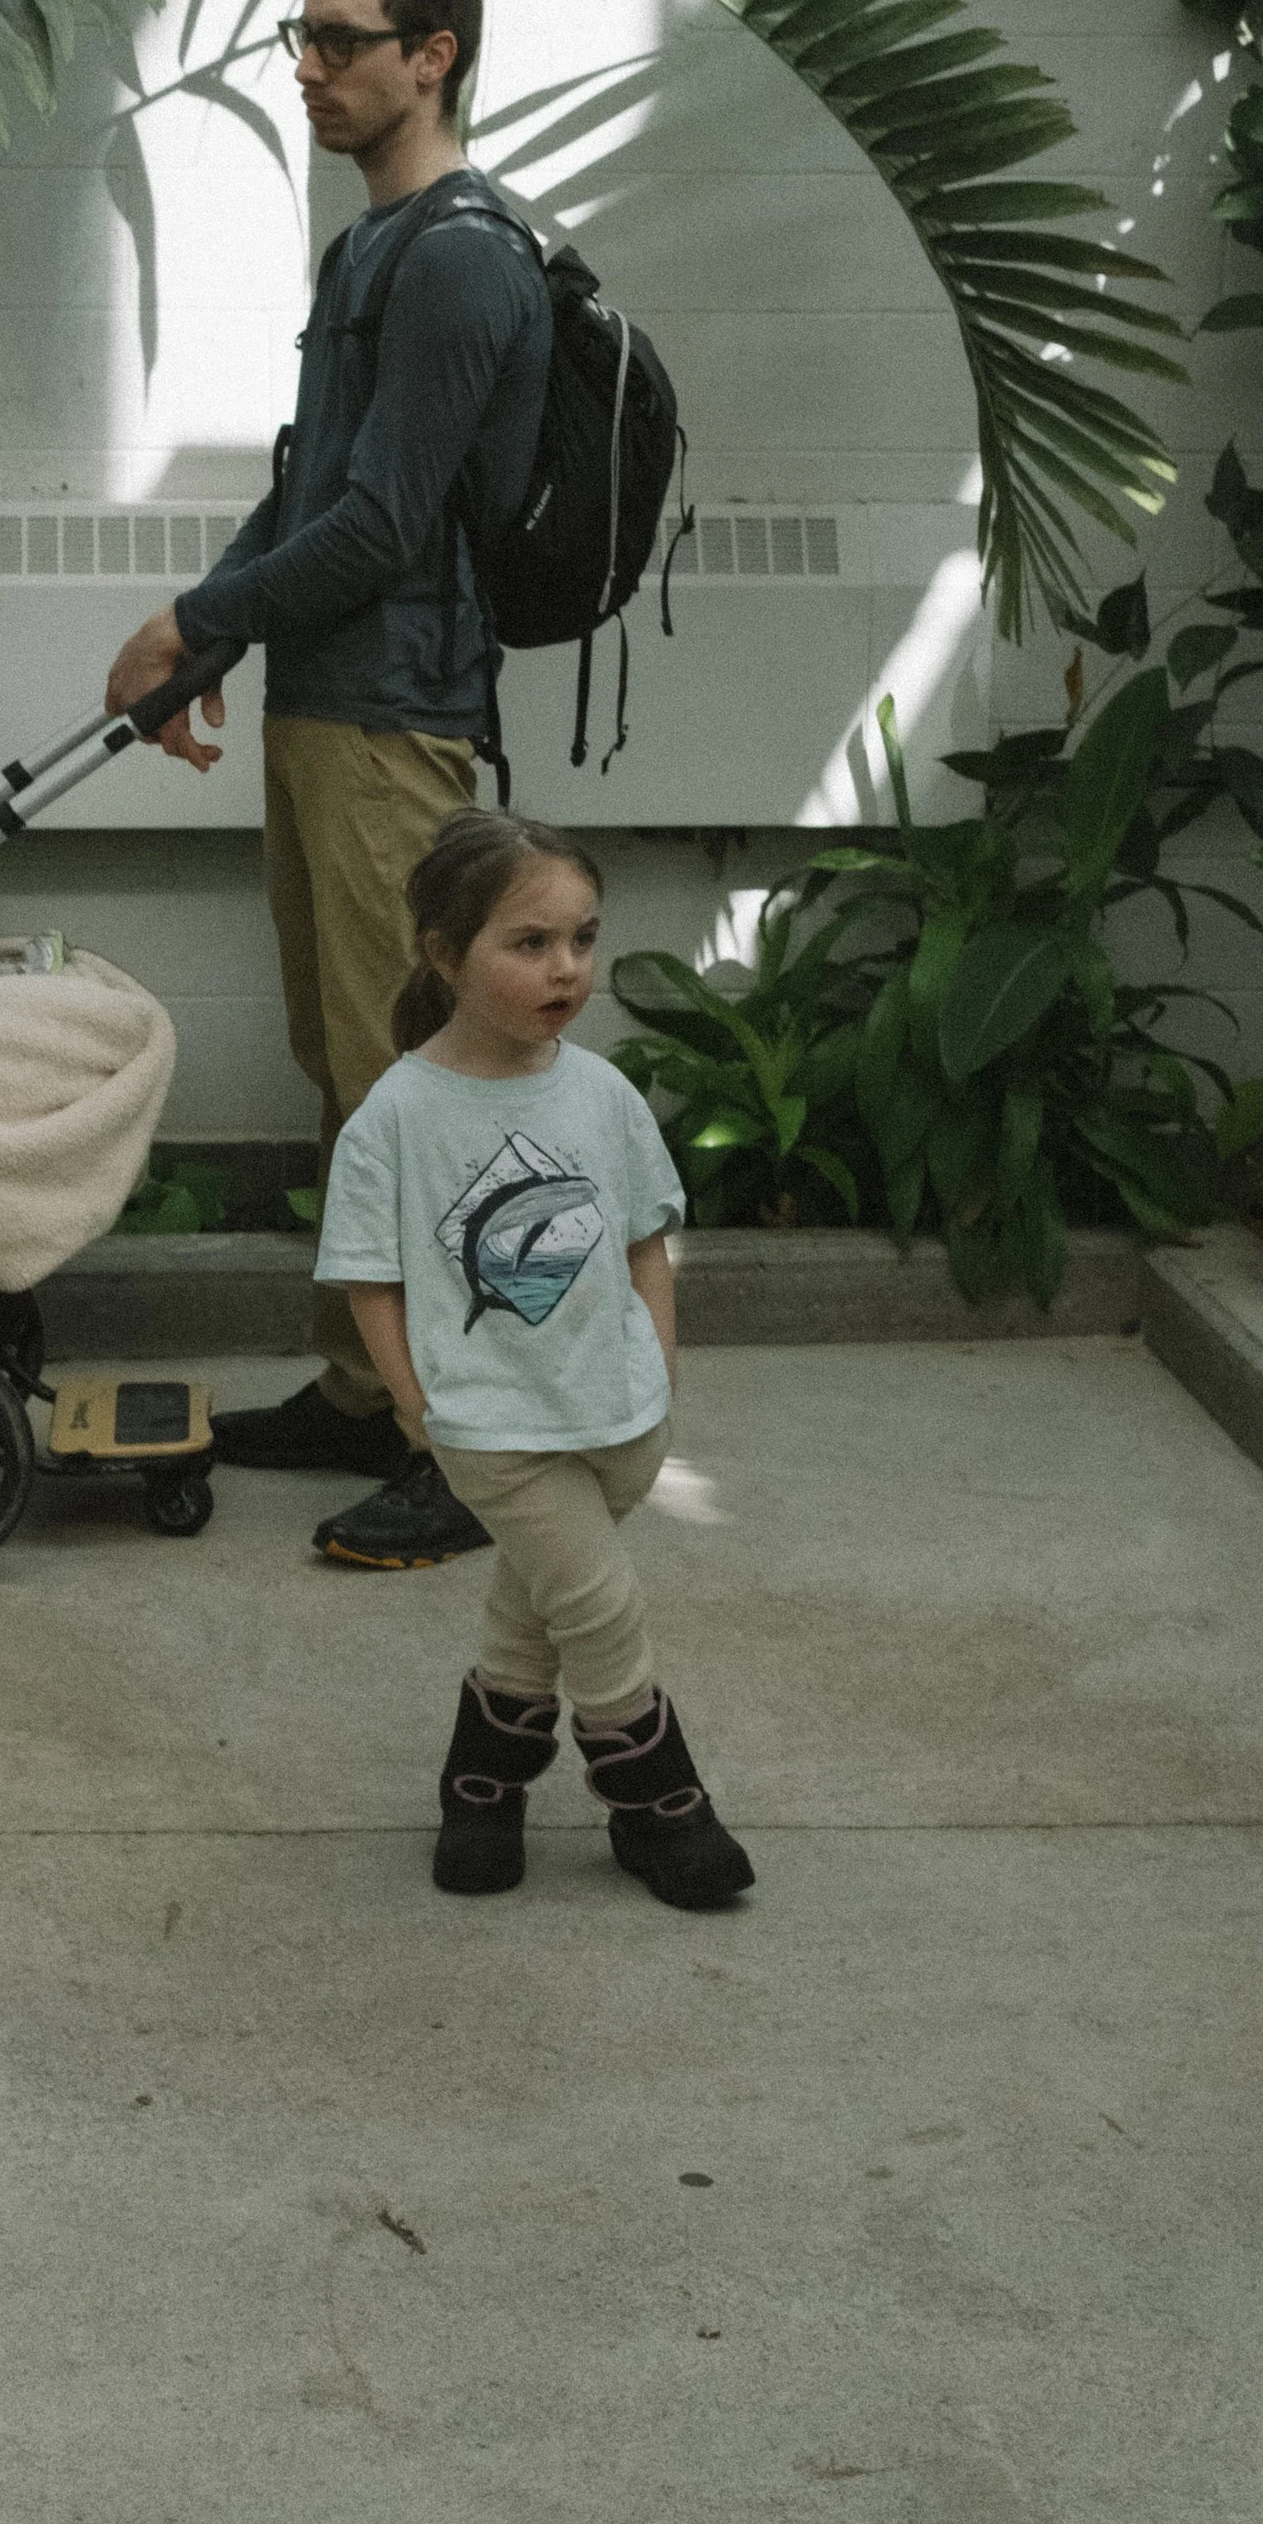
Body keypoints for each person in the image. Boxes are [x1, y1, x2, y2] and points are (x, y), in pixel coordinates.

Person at [103, 0, 552, 1569]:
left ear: (430, 56)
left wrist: (201, 624)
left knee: (415, 1097)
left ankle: (465, 1446)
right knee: (351, 1076)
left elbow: (378, 531)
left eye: (339, 40)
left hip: (396, 724)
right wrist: (200, 617)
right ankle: (362, 1394)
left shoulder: (458, 258)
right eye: (305, 37)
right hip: (326, 707)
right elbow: (310, 488)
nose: (307, 67)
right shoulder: (370, 248)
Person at [313, 809, 753, 1910]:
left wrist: (656, 1361)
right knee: (599, 1607)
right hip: (490, 1421)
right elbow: (372, 1278)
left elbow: (648, 1237)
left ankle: (481, 1787)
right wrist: (415, 1407)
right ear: (443, 954)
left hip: (618, 1415)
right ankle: (657, 1807)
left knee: (535, 1605)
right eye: (529, 944)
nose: (566, 969)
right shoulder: (397, 1118)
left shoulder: (599, 1094)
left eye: (581, 940)